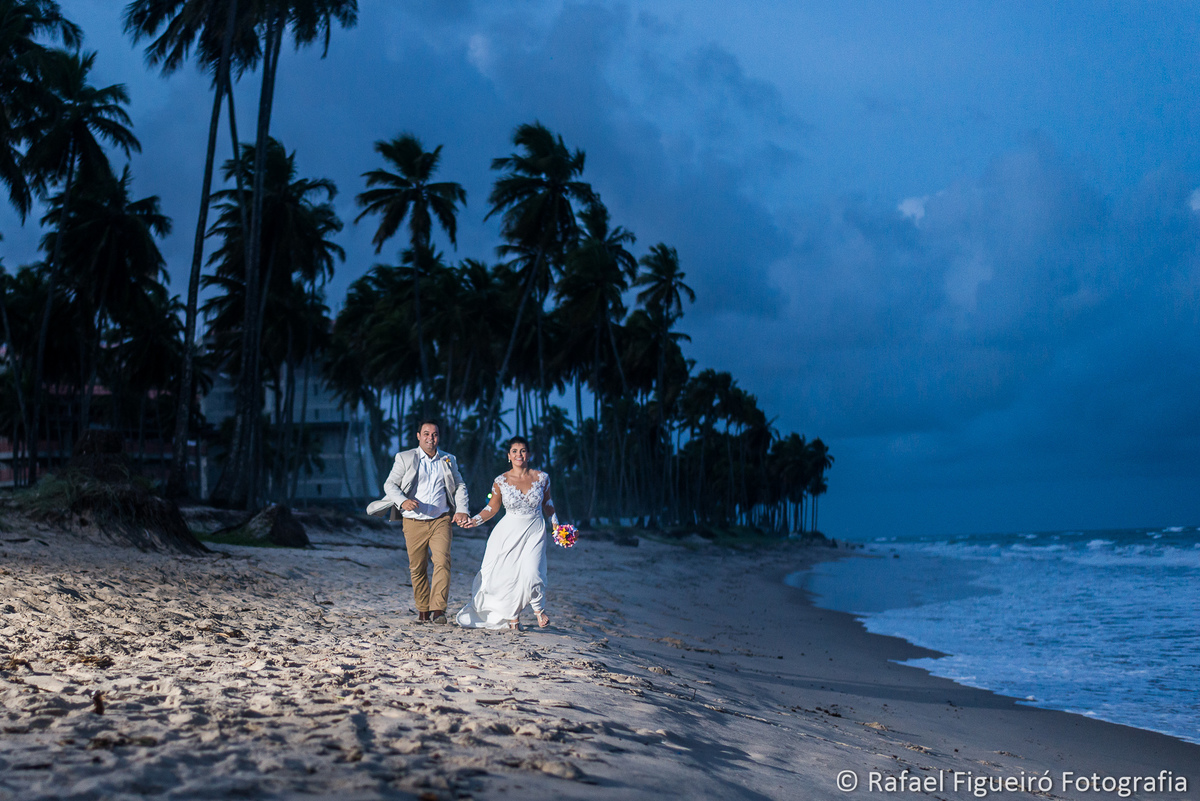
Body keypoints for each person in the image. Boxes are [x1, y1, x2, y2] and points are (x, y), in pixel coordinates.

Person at [366, 419, 469, 624]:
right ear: (419, 436)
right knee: (417, 567)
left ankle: (438, 610)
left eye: (435, 434)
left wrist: (462, 510)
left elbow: (460, 486)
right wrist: (402, 501)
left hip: (441, 519)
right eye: (427, 434)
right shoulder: (405, 458)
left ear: (438, 437)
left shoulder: (448, 459)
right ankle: (423, 609)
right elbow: (390, 484)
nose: (431, 438)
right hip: (413, 522)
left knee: (442, 562)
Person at [456, 436, 558, 631]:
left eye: (523, 451)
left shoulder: (542, 478)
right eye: (514, 451)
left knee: (532, 571)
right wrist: (473, 521)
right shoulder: (501, 481)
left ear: (529, 454)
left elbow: (547, 503)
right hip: (507, 532)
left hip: (534, 530)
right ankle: (513, 616)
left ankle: (538, 609)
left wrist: (557, 526)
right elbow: (492, 509)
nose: (519, 454)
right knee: (509, 576)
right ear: (508, 456)